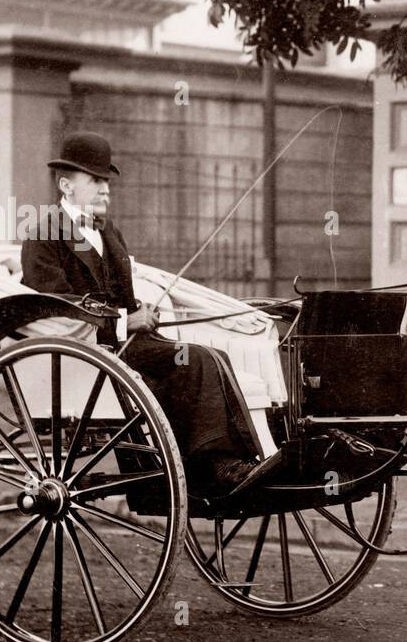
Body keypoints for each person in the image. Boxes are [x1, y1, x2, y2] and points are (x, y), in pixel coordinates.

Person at [20, 131, 279, 498]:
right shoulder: (43, 235)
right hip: (93, 352)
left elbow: (123, 298)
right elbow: (57, 307)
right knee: (200, 360)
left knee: (212, 358)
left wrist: (139, 309)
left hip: (129, 344)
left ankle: (230, 460)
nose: (105, 190)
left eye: (107, 182)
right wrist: (126, 321)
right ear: (66, 185)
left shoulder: (109, 232)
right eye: (95, 181)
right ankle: (216, 465)